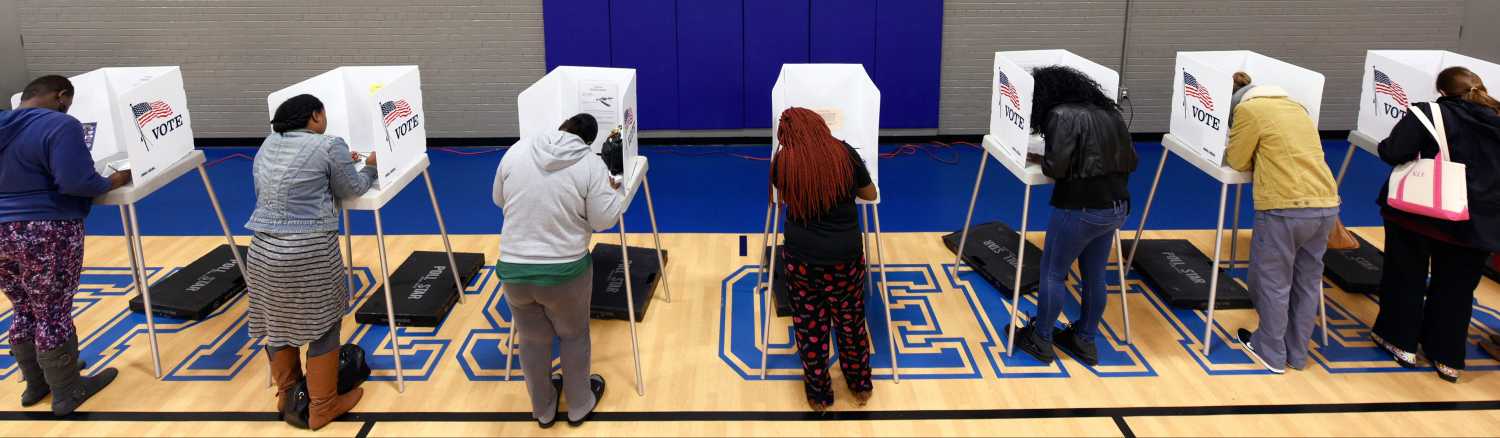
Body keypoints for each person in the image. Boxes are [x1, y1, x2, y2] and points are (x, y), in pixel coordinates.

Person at [0, 75, 130, 416]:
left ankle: (35, 384)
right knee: (52, 310)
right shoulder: (61, 125)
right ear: (62, 96)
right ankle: (68, 391)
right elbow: (76, 183)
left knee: (23, 306)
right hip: (46, 229)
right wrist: (114, 179)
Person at [246, 94, 375, 429]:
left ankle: (287, 396)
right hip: (309, 251)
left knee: (276, 324)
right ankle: (322, 407)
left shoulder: (267, 145)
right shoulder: (330, 144)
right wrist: (371, 165)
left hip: (261, 250)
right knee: (325, 326)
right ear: (316, 116)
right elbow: (354, 188)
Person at [1371, 66, 1500, 383]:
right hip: (1479, 222)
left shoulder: (1430, 113)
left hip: (1421, 215)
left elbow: (1394, 150)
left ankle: (1400, 342)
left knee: (1406, 276)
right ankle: (1447, 358)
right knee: (1457, 290)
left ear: (1442, 91)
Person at [492, 113, 620, 428]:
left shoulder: (517, 150)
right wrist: (615, 186)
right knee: (573, 335)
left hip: (513, 269)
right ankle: (579, 405)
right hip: (564, 271)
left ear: (560, 127)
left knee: (532, 341)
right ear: (588, 142)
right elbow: (603, 221)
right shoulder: (591, 165)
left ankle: (544, 409)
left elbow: (498, 199)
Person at [1010, 66, 1138, 366]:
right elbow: (1131, 159)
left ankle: (1041, 339)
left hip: (1080, 209)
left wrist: (1041, 158)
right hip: (1116, 207)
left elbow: (1056, 169)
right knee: (1094, 277)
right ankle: (1085, 340)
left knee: (1054, 273)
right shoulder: (1110, 114)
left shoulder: (1060, 115)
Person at [1223, 72, 1341, 374]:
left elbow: (1237, 160)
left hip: (1284, 206)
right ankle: (1297, 354)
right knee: (1307, 282)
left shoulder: (1249, 111)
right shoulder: (1295, 107)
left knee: (1273, 281)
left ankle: (1271, 352)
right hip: (1326, 204)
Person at [770, 107, 878, 412]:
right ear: (818, 126)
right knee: (851, 324)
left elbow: (781, 200)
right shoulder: (844, 154)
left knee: (809, 327)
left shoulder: (783, 162)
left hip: (802, 260)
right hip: (844, 259)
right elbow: (869, 195)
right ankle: (860, 387)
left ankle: (818, 396)